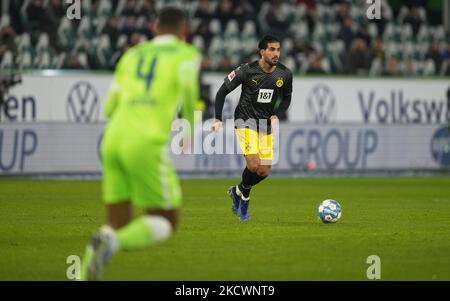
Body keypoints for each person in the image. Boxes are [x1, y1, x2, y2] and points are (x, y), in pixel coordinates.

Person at [80, 6, 201, 280]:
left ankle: (86, 271)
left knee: (117, 220)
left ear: (154, 28)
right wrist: (189, 131)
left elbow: (109, 107)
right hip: (145, 142)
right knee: (167, 220)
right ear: (185, 32)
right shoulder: (187, 55)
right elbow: (190, 94)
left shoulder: (131, 54)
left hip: (111, 140)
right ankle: (113, 243)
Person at [212, 34, 293, 222]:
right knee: (254, 165)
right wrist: (218, 118)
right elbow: (221, 92)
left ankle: (239, 190)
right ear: (262, 52)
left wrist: (277, 113)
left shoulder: (284, 74)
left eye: (278, 49)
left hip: (265, 124)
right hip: (244, 121)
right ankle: (245, 196)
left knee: (264, 171)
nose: (276, 54)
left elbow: (287, 97)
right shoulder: (246, 71)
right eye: (272, 49)